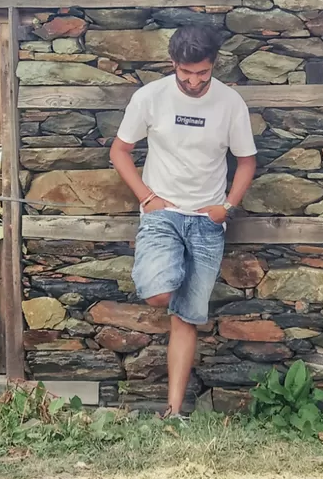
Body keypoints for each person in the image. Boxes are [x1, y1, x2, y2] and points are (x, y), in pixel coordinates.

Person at [109, 23, 257, 418]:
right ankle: (167, 268)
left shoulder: (230, 104)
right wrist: (147, 198)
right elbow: (120, 150)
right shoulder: (150, 97)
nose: (193, 81)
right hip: (163, 214)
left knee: (187, 317)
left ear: (213, 65)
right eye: (185, 73)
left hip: (208, 222)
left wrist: (228, 206)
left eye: (202, 73)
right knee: (159, 292)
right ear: (173, 63)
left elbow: (246, 161)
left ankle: (173, 413)